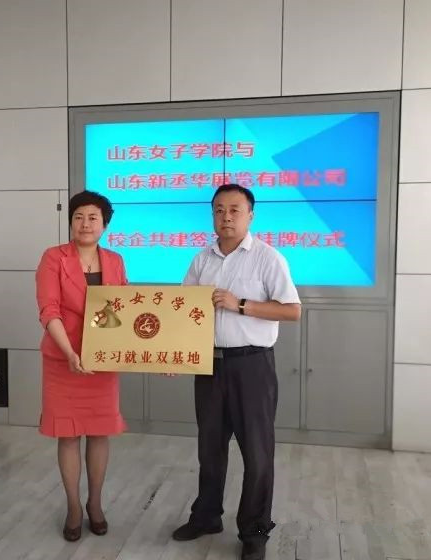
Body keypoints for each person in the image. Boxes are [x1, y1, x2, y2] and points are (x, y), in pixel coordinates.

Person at [172, 184, 301, 560]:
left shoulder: (267, 258)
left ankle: (254, 532)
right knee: (210, 449)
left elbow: (292, 311)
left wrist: (240, 304)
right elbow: (184, 311)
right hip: (208, 365)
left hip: (252, 366)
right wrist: (174, 355)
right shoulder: (202, 260)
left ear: (250, 215)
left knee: (257, 454)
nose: (226, 217)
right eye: (219, 210)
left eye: (234, 210)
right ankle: (207, 516)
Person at [35, 190, 127, 542]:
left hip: (103, 361)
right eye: (78, 217)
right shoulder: (53, 257)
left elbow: (123, 310)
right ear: (70, 221)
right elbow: (49, 310)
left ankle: (95, 503)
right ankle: (74, 507)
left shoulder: (115, 261)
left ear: (104, 224)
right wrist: (70, 353)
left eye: (93, 217)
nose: (85, 223)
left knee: (100, 432)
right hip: (64, 360)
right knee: (69, 434)